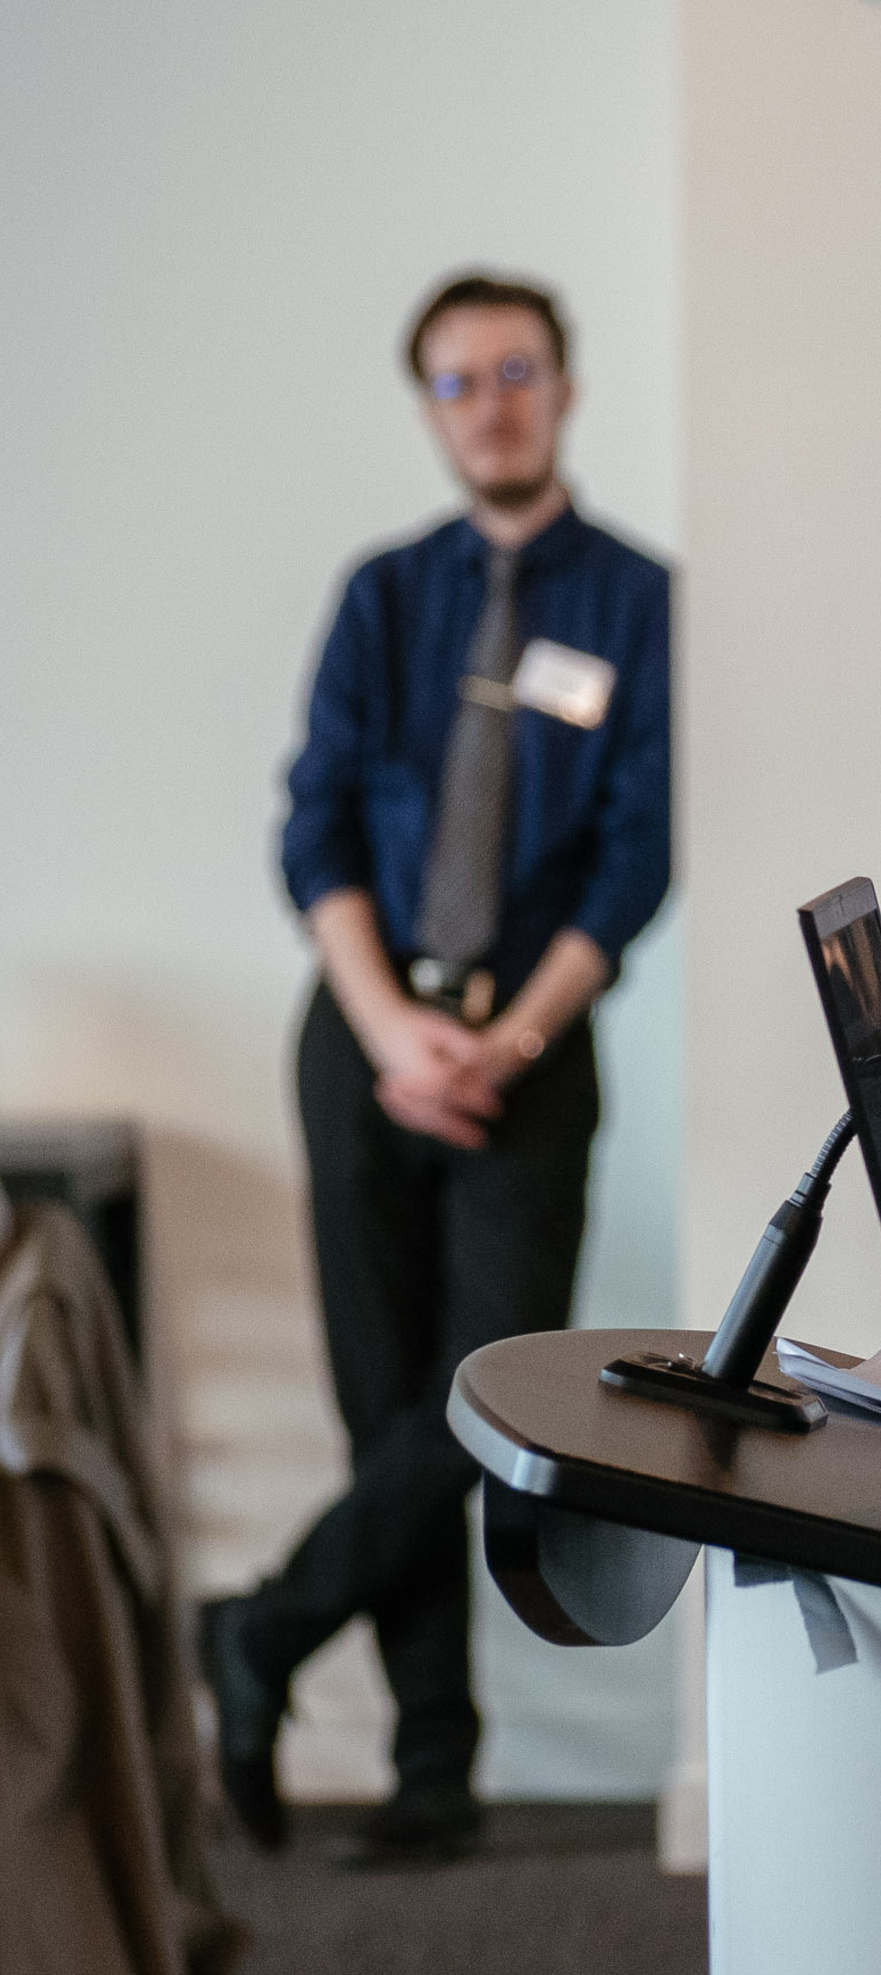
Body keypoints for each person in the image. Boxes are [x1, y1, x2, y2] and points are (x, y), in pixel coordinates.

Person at [200, 273, 672, 1865]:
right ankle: (430, 1776)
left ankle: (260, 1631)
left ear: (565, 387)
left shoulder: (638, 603)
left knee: (477, 1400)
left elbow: (634, 859)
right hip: (361, 1034)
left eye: (517, 371)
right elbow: (313, 826)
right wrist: (396, 1031)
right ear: (431, 407)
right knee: (376, 1396)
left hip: (533, 1042)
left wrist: (509, 1037)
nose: (492, 404)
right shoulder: (383, 596)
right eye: (459, 382)